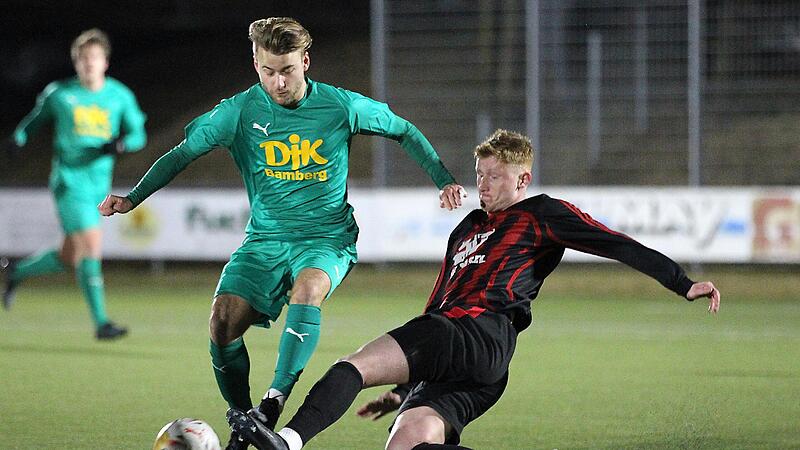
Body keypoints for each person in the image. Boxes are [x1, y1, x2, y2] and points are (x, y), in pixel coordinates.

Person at [97, 17, 465, 450]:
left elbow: (402, 129)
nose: (278, 82)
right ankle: (245, 420)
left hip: (327, 238)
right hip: (264, 240)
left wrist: (443, 179)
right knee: (221, 324)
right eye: (268, 71)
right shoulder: (238, 112)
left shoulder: (340, 106)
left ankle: (273, 402)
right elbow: (182, 154)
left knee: (308, 290)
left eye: (287, 70)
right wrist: (133, 198)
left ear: (305, 61)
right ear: (255, 62)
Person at [228, 129, 721, 450]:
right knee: (406, 443)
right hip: (475, 363)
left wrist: (682, 283)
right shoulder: (466, 227)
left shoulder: (541, 214)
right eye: (479, 173)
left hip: (478, 333)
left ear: (522, 177)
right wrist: (404, 388)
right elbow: (437, 301)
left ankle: (289, 439)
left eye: (495, 176)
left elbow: (616, 244)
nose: (483, 184)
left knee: (352, 366)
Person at [1, 28, 147, 340]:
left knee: (70, 255)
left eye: (94, 58)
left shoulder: (119, 96)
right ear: (76, 63)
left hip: (98, 185)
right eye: (82, 59)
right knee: (91, 247)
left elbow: (138, 135)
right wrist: (18, 138)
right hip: (69, 182)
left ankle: (17, 271)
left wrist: (120, 145)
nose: (88, 64)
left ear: (105, 62)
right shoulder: (59, 94)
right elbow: (34, 120)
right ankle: (101, 323)